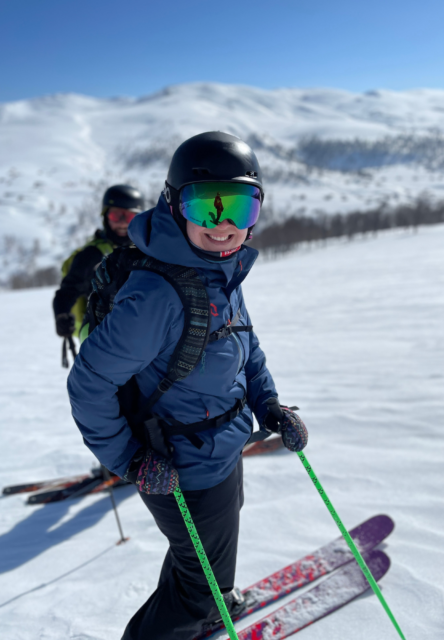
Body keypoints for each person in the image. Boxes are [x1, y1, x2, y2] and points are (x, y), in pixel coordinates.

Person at [67, 131, 309, 639]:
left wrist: (269, 407)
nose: (223, 225)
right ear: (175, 206)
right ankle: (190, 612)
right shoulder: (158, 295)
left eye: (240, 207)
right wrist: (131, 461)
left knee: (202, 561)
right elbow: (88, 384)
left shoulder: (220, 271)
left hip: (222, 449)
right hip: (176, 466)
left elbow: (247, 347)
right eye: (206, 207)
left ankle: (206, 602)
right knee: (197, 581)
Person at [53, 184, 146, 340]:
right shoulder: (91, 255)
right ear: (105, 216)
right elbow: (68, 291)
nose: (123, 223)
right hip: (101, 336)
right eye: (117, 216)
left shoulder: (145, 250)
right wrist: (62, 315)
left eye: (129, 217)